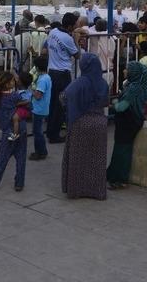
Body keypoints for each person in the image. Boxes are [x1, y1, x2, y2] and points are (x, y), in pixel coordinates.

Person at [61, 53, 109, 200]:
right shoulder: (102, 83)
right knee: (97, 160)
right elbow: (106, 102)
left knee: (78, 158)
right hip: (99, 124)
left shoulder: (79, 82)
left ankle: (77, 190)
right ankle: (96, 191)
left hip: (80, 123)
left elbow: (65, 97)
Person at [107, 61, 147, 190]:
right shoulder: (137, 86)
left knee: (122, 150)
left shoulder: (132, 89)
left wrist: (113, 102)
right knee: (121, 149)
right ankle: (113, 174)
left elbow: (121, 107)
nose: (124, 71)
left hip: (127, 122)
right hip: (131, 121)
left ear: (133, 73)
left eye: (127, 69)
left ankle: (120, 179)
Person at [46, 13, 80, 144]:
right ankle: (54, 135)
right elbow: (77, 55)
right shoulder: (67, 38)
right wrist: (76, 39)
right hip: (63, 74)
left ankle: (50, 131)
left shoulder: (53, 31)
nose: (77, 26)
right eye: (76, 24)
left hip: (52, 71)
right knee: (60, 105)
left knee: (53, 103)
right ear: (70, 26)